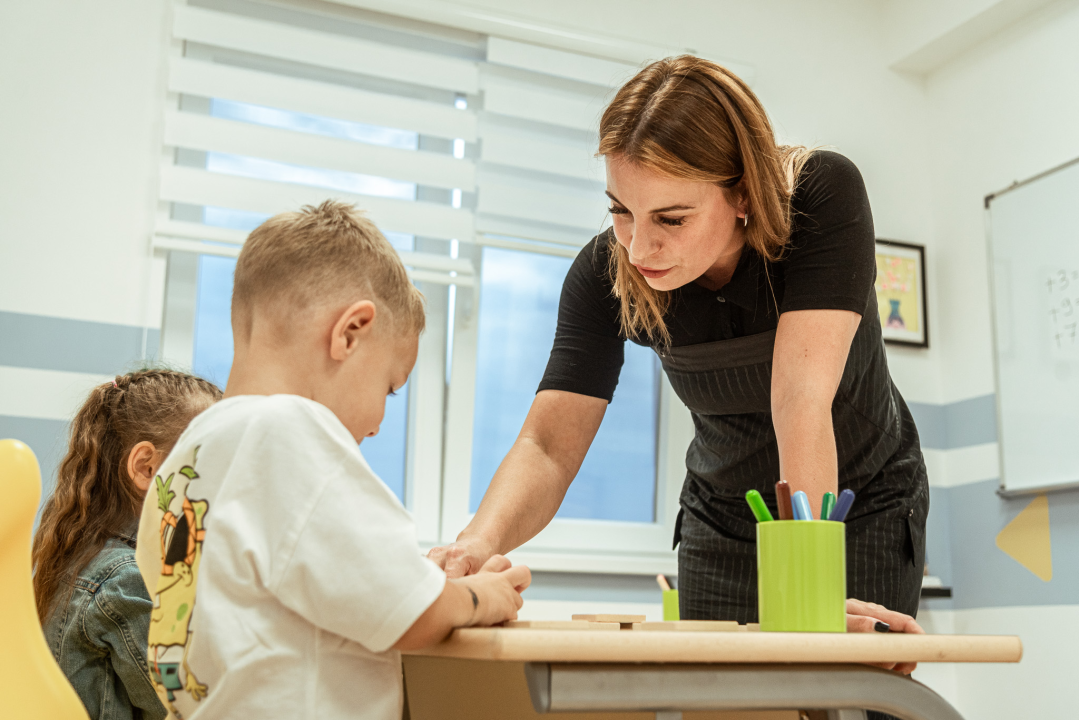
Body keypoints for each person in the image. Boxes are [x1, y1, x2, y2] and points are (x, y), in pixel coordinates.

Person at [430, 56, 928, 676]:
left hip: (855, 510)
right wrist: (477, 544)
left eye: (671, 218)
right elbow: (548, 446)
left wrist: (812, 590)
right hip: (722, 517)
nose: (638, 248)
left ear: (743, 192)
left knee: (846, 697)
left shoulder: (820, 199)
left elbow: (799, 398)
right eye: (619, 210)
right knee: (718, 705)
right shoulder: (603, 274)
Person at [134, 200, 530, 720]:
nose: (379, 424)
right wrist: (484, 595)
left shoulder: (188, 458)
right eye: (389, 387)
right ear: (349, 332)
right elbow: (408, 613)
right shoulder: (292, 431)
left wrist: (432, 588)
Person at [33, 369, 223, 720]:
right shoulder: (127, 579)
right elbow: (197, 708)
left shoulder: (84, 556)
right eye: (213, 464)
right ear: (147, 467)